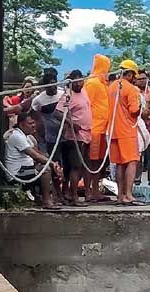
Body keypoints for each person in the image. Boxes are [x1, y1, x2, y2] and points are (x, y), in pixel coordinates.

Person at [4, 111, 63, 209]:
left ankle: (53, 197)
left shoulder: (27, 137)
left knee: (49, 165)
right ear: (22, 124)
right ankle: (46, 201)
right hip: (17, 173)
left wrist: (56, 165)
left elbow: (39, 153)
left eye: (34, 123)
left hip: (27, 168)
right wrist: (52, 164)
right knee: (45, 169)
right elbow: (35, 155)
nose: (33, 125)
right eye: (30, 123)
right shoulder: (17, 136)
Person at [108, 60, 143, 205]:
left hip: (113, 130)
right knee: (131, 162)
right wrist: (142, 107)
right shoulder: (131, 89)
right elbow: (134, 110)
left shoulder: (111, 87)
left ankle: (120, 195)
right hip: (127, 130)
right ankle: (128, 194)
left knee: (119, 164)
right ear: (129, 74)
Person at [57, 69, 92, 206]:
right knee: (75, 166)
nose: (79, 83)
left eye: (80, 80)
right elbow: (58, 113)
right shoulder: (67, 95)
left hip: (87, 134)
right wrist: (71, 123)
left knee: (82, 166)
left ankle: (70, 193)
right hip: (74, 136)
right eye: (76, 81)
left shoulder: (84, 92)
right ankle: (74, 196)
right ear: (71, 82)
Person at [84, 54, 113, 203]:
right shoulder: (92, 83)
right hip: (93, 129)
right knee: (90, 162)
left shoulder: (102, 83)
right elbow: (87, 105)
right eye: (107, 67)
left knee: (99, 162)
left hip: (103, 129)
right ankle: (88, 191)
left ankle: (96, 190)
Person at [31, 68, 63, 153]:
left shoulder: (63, 93)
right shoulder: (38, 100)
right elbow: (35, 117)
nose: (54, 87)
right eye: (51, 85)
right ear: (45, 86)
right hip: (51, 137)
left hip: (66, 135)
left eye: (55, 84)